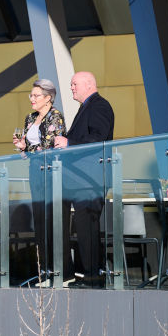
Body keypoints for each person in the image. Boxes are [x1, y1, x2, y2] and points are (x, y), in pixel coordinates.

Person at [53, 71, 114, 286]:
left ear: (89, 84)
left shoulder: (99, 106)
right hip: (80, 180)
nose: (71, 88)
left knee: (88, 228)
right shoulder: (86, 107)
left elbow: (98, 138)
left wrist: (68, 143)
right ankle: (88, 275)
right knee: (83, 228)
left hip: (90, 179)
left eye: (74, 84)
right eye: (70, 84)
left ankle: (92, 278)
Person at [12, 79, 65, 277]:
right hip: (35, 171)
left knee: (50, 218)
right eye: (31, 95)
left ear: (48, 98)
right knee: (40, 220)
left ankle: (55, 269)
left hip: (51, 172)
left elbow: (50, 147)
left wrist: (28, 148)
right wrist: (22, 149)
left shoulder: (55, 116)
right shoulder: (29, 118)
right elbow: (28, 151)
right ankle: (43, 269)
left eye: (36, 96)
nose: (32, 99)